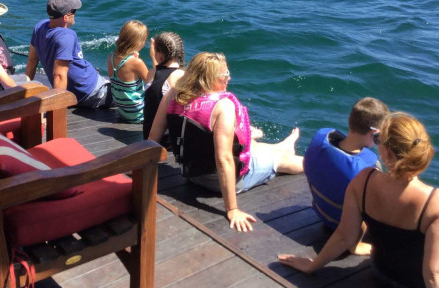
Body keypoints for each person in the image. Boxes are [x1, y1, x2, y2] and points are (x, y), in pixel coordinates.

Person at [279, 112, 439, 288]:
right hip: (422, 281)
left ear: (384, 150)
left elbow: (345, 238)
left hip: (384, 272)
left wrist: (312, 265)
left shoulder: (364, 181)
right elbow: (436, 275)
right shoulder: (436, 201)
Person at [148, 52, 304, 232]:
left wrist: (144, 175)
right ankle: (308, 162)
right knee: (282, 161)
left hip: (191, 174)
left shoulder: (173, 95)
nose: (228, 78)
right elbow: (224, 160)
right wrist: (232, 209)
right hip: (218, 182)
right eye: (224, 75)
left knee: (254, 146)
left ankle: (283, 146)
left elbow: (153, 137)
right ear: (209, 78)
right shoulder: (222, 107)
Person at [303, 97, 389, 231]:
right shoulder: (369, 168)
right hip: (346, 229)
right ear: (375, 134)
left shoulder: (320, 138)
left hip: (322, 213)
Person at [26, 0, 113, 109]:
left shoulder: (39, 27)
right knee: (132, 92)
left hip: (87, 83)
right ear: (66, 17)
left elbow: (32, 61)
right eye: (74, 11)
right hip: (90, 92)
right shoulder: (67, 36)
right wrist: (58, 111)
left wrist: (25, 91)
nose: (75, 14)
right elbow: (59, 75)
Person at [108, 20, 154, 123]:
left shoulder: (111, 57)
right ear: (138, 42)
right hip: (138, 114)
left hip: (123, 112)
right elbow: (151, 81)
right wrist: (154, 57)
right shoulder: (136, 62)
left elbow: (124, 74)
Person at [142, 31, 185, 139]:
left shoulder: (152, 73)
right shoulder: (180, 76)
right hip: (167, 142)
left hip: (148, 136)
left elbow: (160, 75)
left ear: (159, 54)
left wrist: (153, 57)